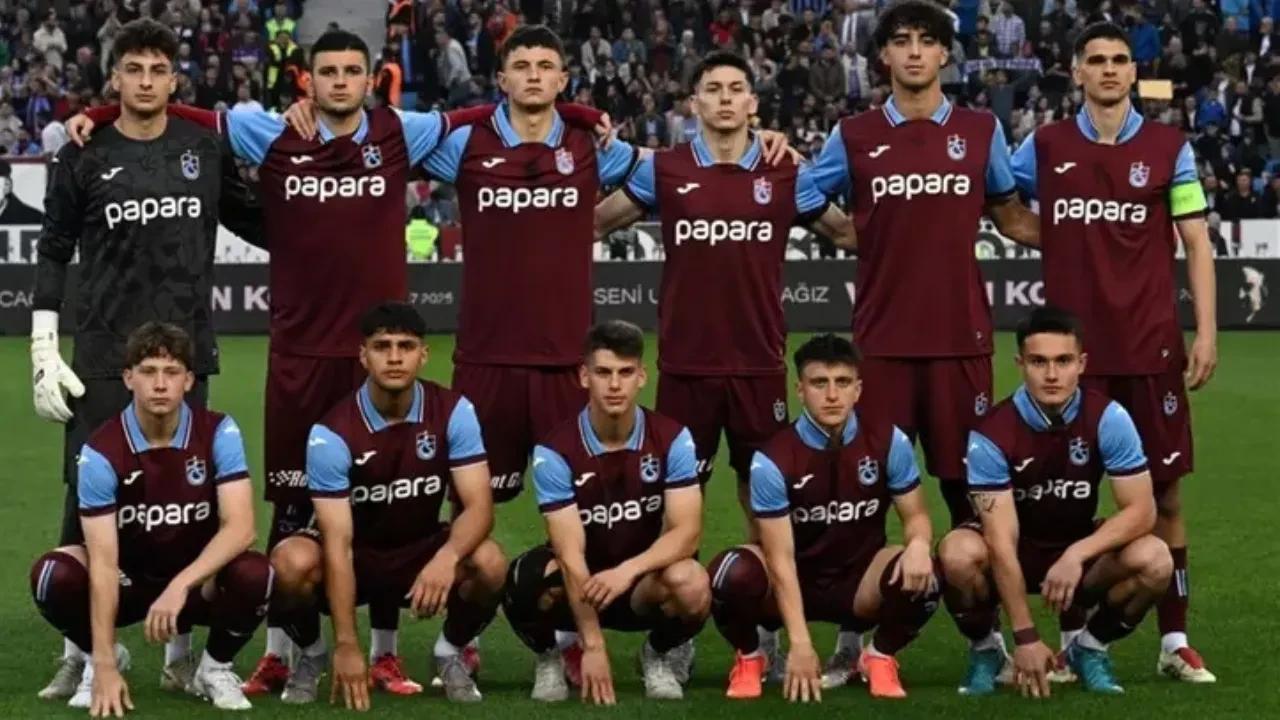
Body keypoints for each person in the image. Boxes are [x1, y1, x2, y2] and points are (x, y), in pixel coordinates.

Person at [65, 29, 600, 698]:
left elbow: (500, 109)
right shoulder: (270, 133)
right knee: (292, 511)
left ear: (370, 79)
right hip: (300, 354)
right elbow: (180, 112)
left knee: (393, 505)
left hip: (379, 355)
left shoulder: (400, 131)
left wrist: (577, 113)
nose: (340, 81)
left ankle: (385, 654)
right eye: (328, 72)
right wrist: (104, 113)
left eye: (352, 71)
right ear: (308, 81)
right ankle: (285, 653)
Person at [422, 25, 793, 509]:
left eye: (545, 67)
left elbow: (679, 168)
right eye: (521, 67)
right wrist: (484, 113)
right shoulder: (466, 145)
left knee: (588, 505)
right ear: (501, 80)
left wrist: (757, 144)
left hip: (566, 359)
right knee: (472, 500)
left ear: (563, 79)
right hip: (484, 355)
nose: (533, 76)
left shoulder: (592, 148)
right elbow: (388, 135)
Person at [803, 0, 1039, 684]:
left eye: (926, 41)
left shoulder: (980, 129)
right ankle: (852, 639)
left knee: (969, 494)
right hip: (880, 345)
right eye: (901, 41)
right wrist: (847, 232)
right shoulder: (853, 134)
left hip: (960, 342)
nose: (913, 52)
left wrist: (1095, 238)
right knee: (865, 495)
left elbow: (1012, 217)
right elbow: (801, 196)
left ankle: (986, 640)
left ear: (943, 55)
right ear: (883, 56)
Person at [31, 18, 263, 702]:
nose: (145, 80)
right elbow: (53, 247)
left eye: (158, 69)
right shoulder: (83, 152)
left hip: (185, 353)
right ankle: (83, 653)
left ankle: (182, 657)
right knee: (85, 501)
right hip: (104, 354)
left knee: (189, 501)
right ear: (115, 77)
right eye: (133, 68)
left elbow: (257, 219)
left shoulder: (203, 149)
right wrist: (43, 344)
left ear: (174, 78)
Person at [1009, 21, 1218, 683]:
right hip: (1069, 358)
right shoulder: (1044, 145)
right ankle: (1073, 637)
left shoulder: (1170, 148)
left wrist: (1206, 331)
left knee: (1166, 497)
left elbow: (1195, 240)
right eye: (1095, 59)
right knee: (1065, 497)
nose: (1108, 69)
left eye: (1120, 59)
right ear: (1077, 72)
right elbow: (1001, 205)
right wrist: (1062, 238)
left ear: (1133, 71)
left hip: (1149, 348)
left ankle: (1173, 641)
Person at [269, 302, 506, 709]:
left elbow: (480, 507)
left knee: (490, 562)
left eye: (405, 346)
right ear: (363, 355)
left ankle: (449, 651)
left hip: (419, 549)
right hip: (356, 556)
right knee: (290, 562)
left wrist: (447, 557)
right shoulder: (331, 433)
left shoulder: (454, 411)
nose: (394, 357)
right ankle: (313, 653)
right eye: (382, 346)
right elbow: (338, 543)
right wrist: (347, 644)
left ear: (423, 354)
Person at [29, 322, 270, 714]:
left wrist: (180, 585)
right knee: (52, 576)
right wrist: (105, 665)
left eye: (171, 372)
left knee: (257, 573)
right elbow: (103, 562)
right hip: (129, 582)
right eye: (148, 372)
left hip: (195, 585)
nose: (160, 384)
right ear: (128, 378)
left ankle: (213, 668)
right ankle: (100, 657)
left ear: (188, 381)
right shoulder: (101, 451)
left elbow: (242, 528)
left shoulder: (218, 431)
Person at [939, 306, 1173, 697]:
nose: (1051, 374)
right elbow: (1000, 541)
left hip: (1077, 554)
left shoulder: (1109, 418)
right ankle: (986, 649)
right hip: (1014, 552)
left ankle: (1089, 648)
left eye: (1063, 361)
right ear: (1020, 364)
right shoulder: (992, 434)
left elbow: (1142, 510)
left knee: (1156, 559)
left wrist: (1076, 555)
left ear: (1081, 364)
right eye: (1038, 362)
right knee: (956, 553)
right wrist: (1026, 637)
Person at [706, 334, 939, 701]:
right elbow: (780, 558)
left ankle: (877, 656)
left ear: (858, 390)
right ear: (800, 391)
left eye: (842, 382)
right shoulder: (772, 459)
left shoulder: (889, 440)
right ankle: (753, 657)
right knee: (729, 573)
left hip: (859, 582)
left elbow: (916, 515)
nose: (832, 395)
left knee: (927, 573)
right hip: (793, 580)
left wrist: (920, 544)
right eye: (819, 383)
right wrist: (801, 644)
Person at [503, 320, 708, 704]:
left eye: (625, 373)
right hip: (581, 583)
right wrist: (593, 644)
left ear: (641, 377)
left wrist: (627, 571)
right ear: (584, 377)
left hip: (640, 582)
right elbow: (569, 552)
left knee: (692, 583)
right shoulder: (555, 451)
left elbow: (687, 533)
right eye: (603, 373)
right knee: (524, 580)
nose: (615, 385)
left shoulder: (673, 438)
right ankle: (550, 656)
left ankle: (656, 655)